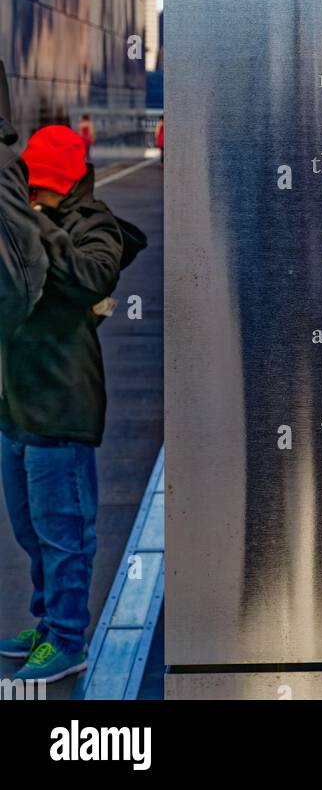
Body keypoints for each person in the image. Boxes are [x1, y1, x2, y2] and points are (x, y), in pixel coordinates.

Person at [0, 123, 146, 685]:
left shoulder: (94, 225)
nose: (34, 197)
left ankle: (67, 638)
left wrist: (31, 227)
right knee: (30, 529)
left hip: (63, 408)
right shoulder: (27, 221)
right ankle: (48, 623)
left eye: (41, 190)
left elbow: (92, 277)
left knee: (64, 531)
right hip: (17, 404)